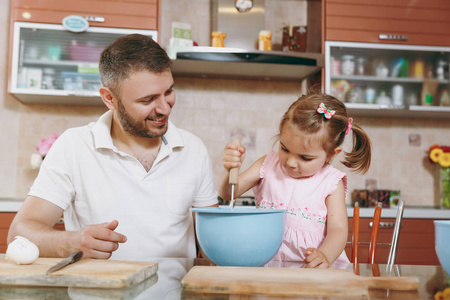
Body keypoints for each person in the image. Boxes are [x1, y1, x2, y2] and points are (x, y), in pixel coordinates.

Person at [8, 34, 218, 260]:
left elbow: (212, 242)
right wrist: (71, 242)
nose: (164, 108)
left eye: (168, 92)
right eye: (147, 100)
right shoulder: (74, 146)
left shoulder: (193, 149)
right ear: (109, 98)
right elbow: (19, 233)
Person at [219, 92, 371, 268]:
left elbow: (338, 230)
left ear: (331, 154)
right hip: (269, 267)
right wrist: (230, 169)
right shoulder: (268, 164)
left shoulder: (331, 182)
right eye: (284, 149)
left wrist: (324, 255)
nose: (290, 163)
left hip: (312, 271)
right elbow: (228, 193)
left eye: (305, 158)